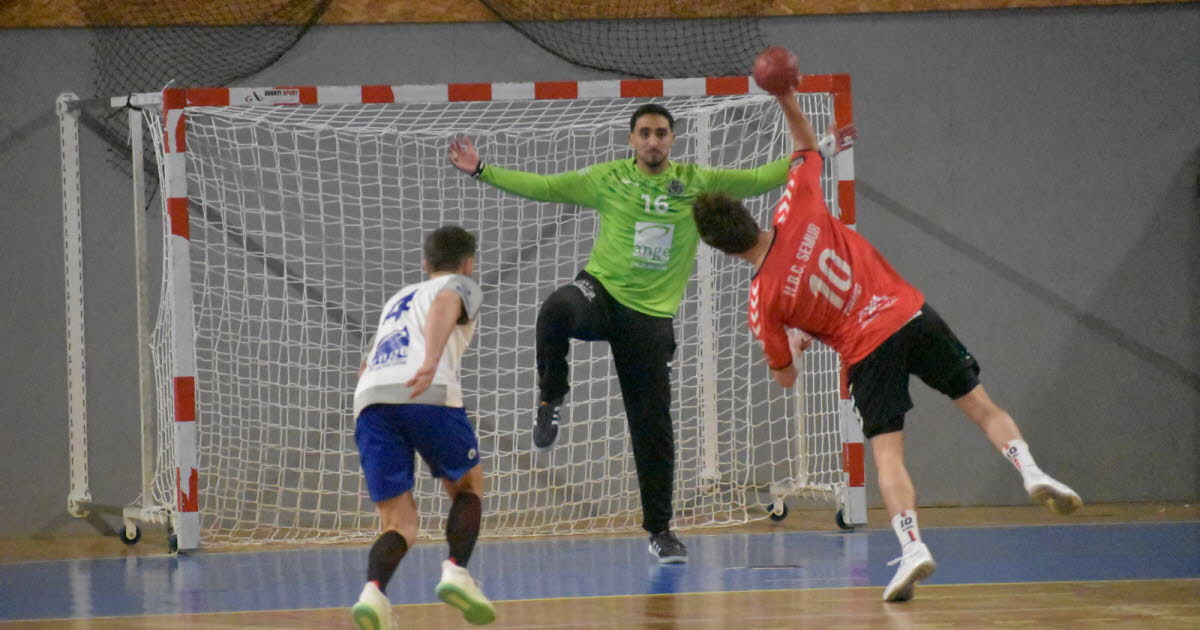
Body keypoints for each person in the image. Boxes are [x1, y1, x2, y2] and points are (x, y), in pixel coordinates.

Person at [691, 84, 1083, 602]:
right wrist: (785, 95)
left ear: (721, 249)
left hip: (867, 351)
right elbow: (805, 144)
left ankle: (913, 547)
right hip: (910, 315)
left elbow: (785, 378)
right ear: (749, 215)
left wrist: (795, 340)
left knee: (888, 456)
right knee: (980, 404)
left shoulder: (763, 302)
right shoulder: (796, 207)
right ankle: (1030, 471)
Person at [447, 104, 791, 563]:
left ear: (672, 140)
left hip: (649, 317)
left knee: (653, 427)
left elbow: (761, 178)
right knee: (555, 310)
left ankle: (661, 531)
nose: (653, 140)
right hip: (601, 292)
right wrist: (482, 170)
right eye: (644, 133)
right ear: (632, 140)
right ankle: (551, 398)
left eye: (661, 133)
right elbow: (546, 188)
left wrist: (817, 151)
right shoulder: (607, 178)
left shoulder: (697, 182)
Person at [350, 226, 495, 628]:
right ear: (468, 264)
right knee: (468, 486)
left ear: (425, 262)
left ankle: (373, 593)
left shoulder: (397, 299)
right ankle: (456, 571)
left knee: (399, 523)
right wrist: (431, 361)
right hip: (425, 390)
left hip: (371, 400)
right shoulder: (460, 285)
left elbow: (367, 363)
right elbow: (447, 301)